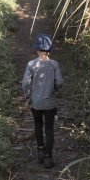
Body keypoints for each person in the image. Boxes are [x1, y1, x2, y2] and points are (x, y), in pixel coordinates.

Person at [22, 34, 63, 168]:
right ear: (49, 50)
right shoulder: (54, 64)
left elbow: (25, 83)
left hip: (36, 103)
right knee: (49, 129)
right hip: (49, 103)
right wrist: (54, 90)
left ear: (37, 50)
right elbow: (60, 82)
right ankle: (48, 158)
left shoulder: (31, 64)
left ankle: (40, 149)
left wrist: (28, 97)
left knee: (38, 125)